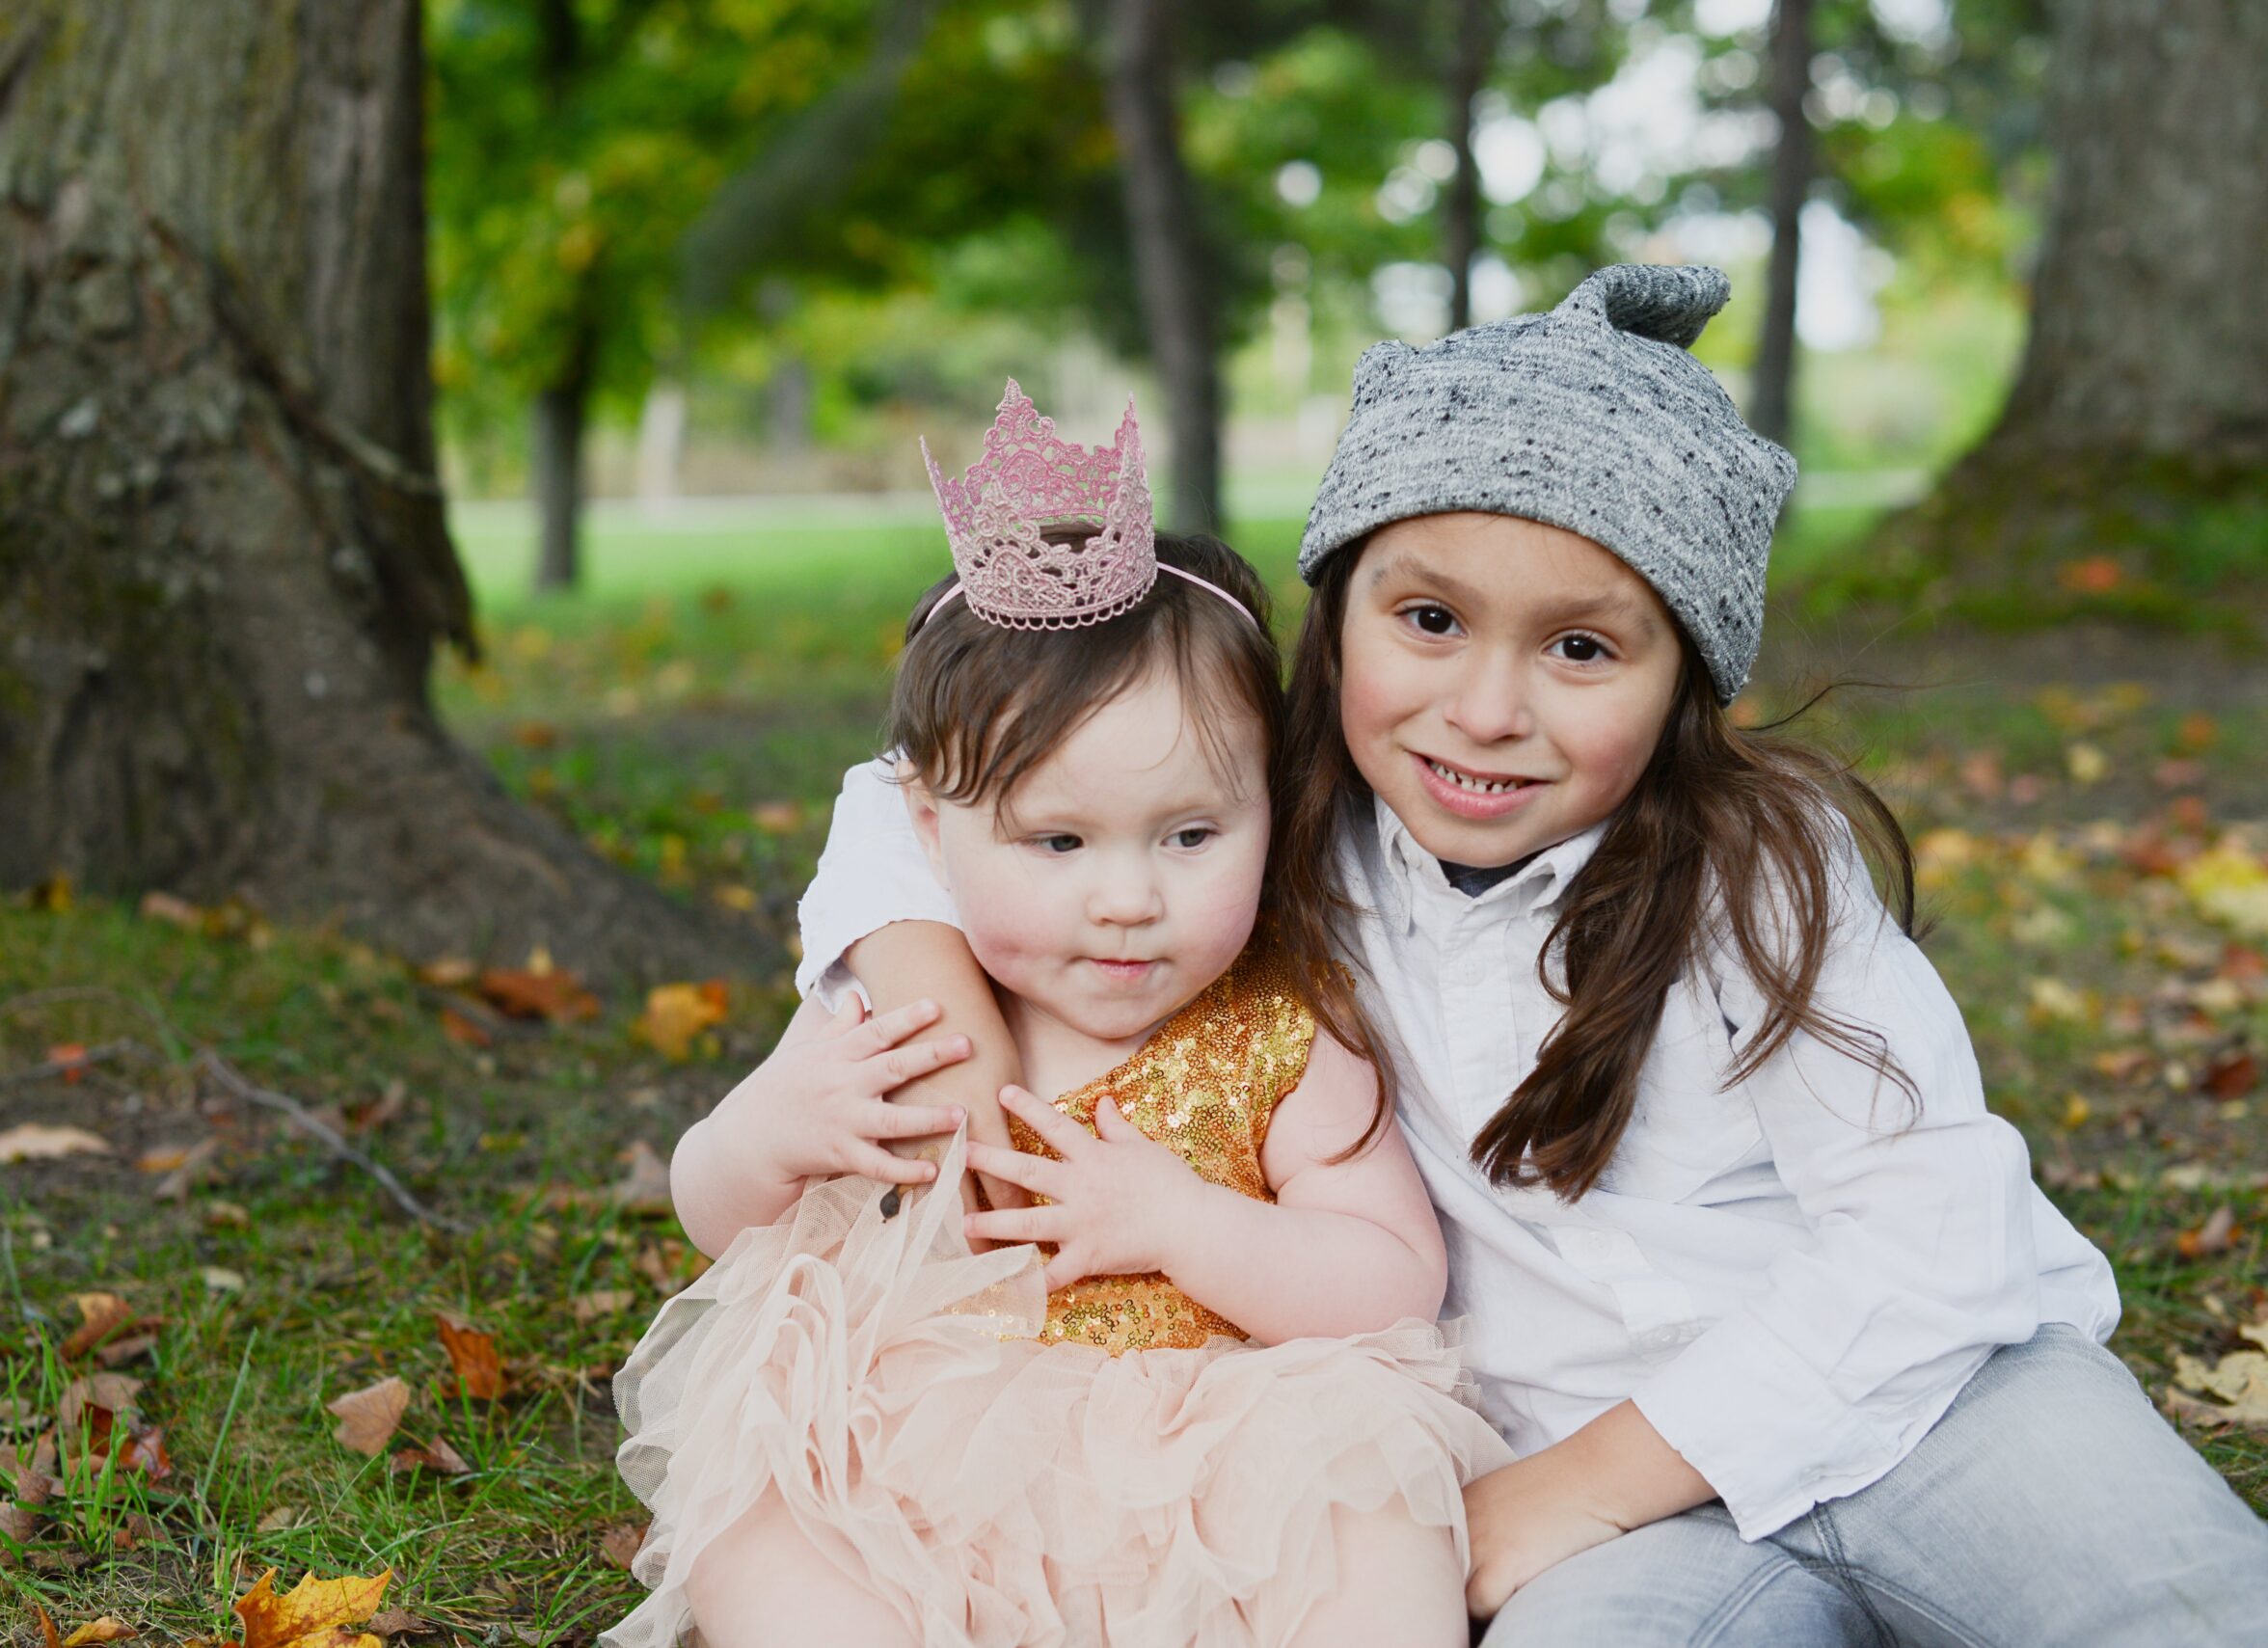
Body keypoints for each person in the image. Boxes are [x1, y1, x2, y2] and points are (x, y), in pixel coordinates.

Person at [792, 266, 2268, 1644]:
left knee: (2191, 1610)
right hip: (1610, 1506)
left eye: (1581, 649)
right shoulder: (1263, 833)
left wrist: (1570, 1490)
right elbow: (910, 790)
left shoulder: (1759, 872)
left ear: (1684, 670)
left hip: (1940, 1404)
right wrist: (935, 1005)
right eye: (1428, 619)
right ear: (1340, 614)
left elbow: (1936, 1233)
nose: (1486, 710)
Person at [605, 384, 1513, 1648]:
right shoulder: (899, 1019)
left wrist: (1187, 1221)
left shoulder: (1287, 1031)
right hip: (926, 1442)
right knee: (774, 1508)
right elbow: (720, 1216)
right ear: (930, 829)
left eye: (1192, 834)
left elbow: (1395, 1278)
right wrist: (767, 1128)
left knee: (1371, 1519)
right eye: (1059, 840)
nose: (1128, 898)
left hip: (1226, 1442)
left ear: (1274, 808)